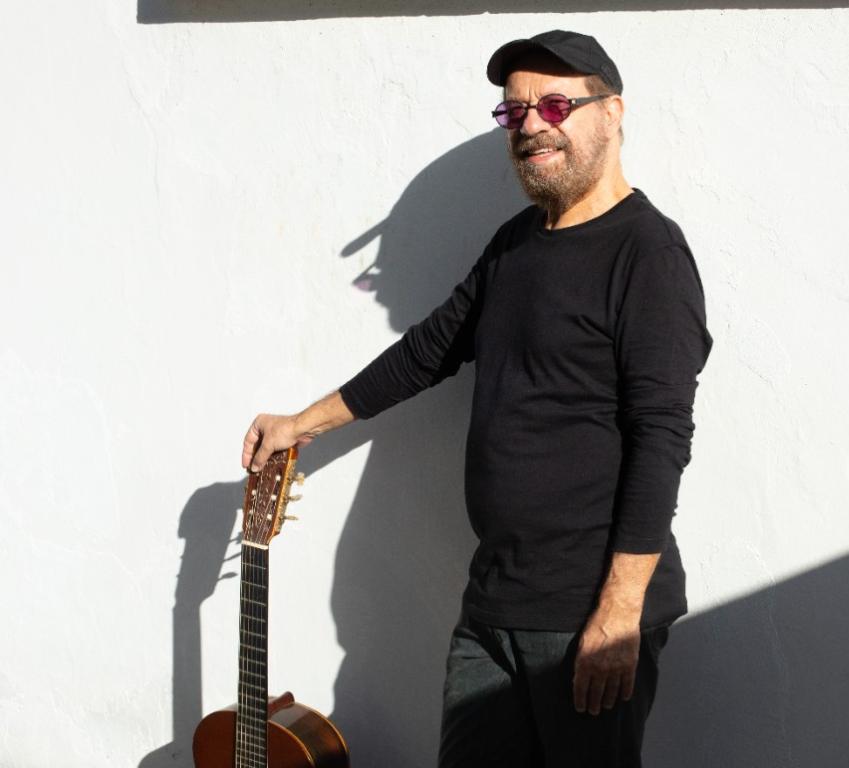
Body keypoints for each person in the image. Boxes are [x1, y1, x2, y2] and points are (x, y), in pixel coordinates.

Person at [242, 29, 713, 768]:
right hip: (494, 599)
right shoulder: (515, 244)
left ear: (612, 112)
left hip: (586, 610)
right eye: (514, 112)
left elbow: (661, 437)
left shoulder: (647, 253)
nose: (531, 126)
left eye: (554, 105)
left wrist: (621, 609)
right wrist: (301, 424)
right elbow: (426, 352)